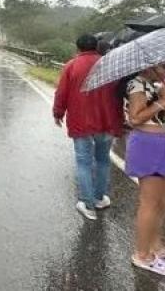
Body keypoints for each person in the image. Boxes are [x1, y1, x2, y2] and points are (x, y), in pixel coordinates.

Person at [122, 64, 165, 277]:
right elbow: (135, 119)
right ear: (149, 65)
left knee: (164, 200)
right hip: (146, 143)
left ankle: (157, 248)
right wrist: (164, 100)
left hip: (161, 141)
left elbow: (160, 120)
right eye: (164, 65)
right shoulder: (136, 84)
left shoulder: (153, 86)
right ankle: (142, 255)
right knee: (150, 203)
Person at [53, 34, 124, 220]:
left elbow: (62, 93)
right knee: (102, 160)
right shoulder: (109, 65)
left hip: (81, 121)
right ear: (96, 46)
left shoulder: (71, 66)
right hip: (106, 121)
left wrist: (58, 113)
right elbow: (118, 94)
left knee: (84, 162)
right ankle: (100, 198)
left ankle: (87, 203)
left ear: (78, 48)